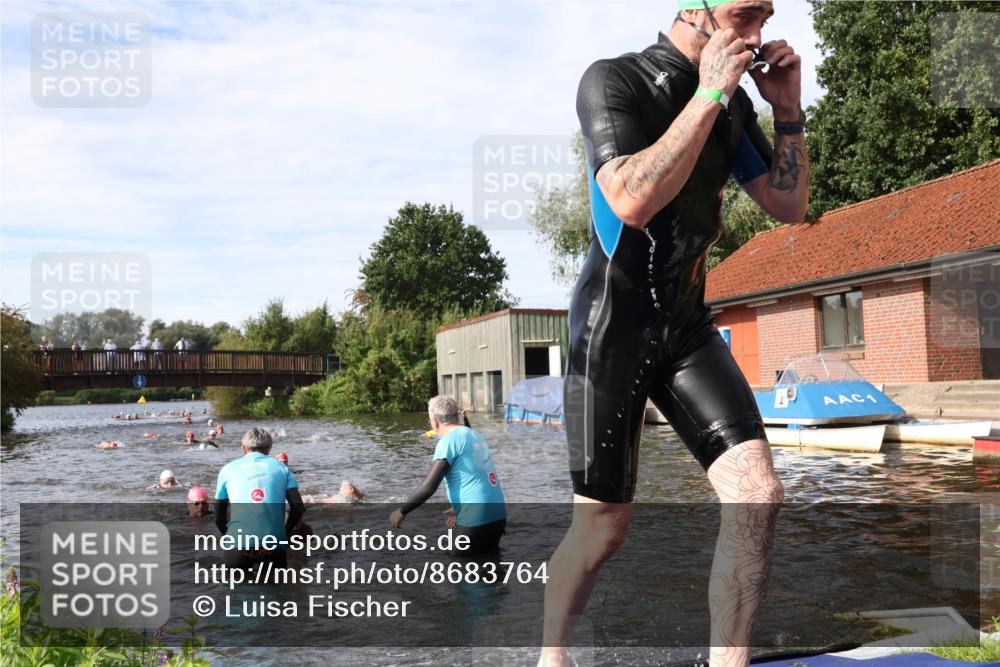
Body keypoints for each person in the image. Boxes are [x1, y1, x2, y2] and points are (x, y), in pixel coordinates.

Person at [540, 2, 803, 666]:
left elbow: (788, 203)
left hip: (685, 325)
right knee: (602, 530)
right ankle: (552, 654)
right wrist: (709, 92)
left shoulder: (738, 108)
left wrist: (788, 109)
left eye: (765, 17)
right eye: (746, 15)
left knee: (758, 495)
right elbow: (629, 197)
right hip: (612, 324)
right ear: (696, 7)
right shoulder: (613, 81)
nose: (757, 33)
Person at [389, 395, 506, 556]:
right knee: (489, 566)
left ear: (435, 421)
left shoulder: (448, 441)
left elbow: (428, 487)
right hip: (498, 516)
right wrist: (458, 509)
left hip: (476, 518)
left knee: (456, 566)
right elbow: (478, 477)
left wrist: (402, 511)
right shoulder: (474, 435)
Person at [214, 427, 305, 570]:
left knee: (237, 590)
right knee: (278, 590)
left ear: (243, 448)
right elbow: (298, 508)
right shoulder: (282, 469)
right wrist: (284, 534)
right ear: (269, 448)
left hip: (238, 545)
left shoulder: (227, 470)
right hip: (274, 544)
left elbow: (219, 518)